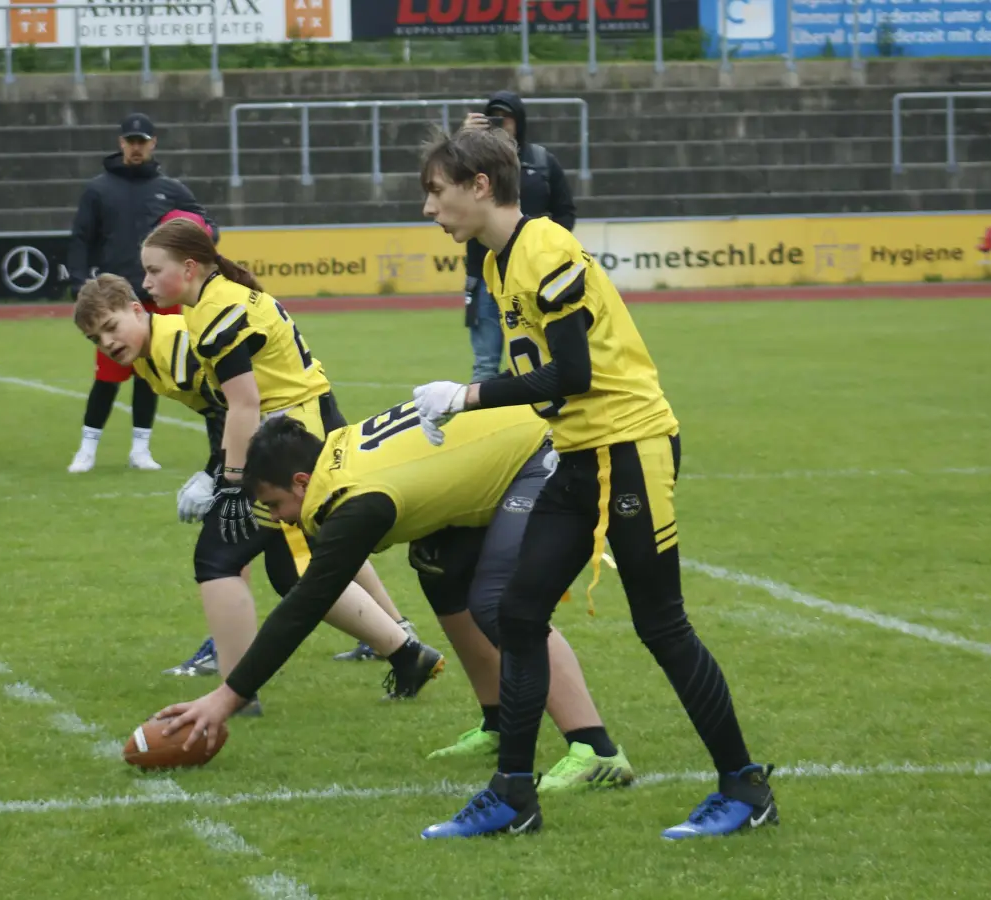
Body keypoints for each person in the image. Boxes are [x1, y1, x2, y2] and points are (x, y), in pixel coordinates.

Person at [411, 127, 774, 840]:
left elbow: (574, 374)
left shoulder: (545, 249)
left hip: (628, 448)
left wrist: (467, 397)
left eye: (435, 190)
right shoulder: (495, 261)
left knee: (661, 624)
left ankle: (745, 787)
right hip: (580, 452)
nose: (429, 208)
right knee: (517, 612)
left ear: (480, 185)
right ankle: (514, 794)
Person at [159, 407, 636, 795]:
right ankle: (499, 724)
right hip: (505, 452)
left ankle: (597, 749)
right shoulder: (335, 458)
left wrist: (227, 696)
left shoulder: (351, 498)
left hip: (542, 454)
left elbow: (306, 604)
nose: (283, 520)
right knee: (440, 573)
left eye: (278, 504)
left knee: (498, 602)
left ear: (302, 482)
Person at [73, 274, 441, 699]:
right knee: (298, 565)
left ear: (138, 309)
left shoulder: (177, 347)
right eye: (95, 338)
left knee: (225, 557)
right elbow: (225, 413)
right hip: (280, 437)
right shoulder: (148, 355)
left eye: (111, 326)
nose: (107, 342)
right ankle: (401, 647)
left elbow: (239, 406)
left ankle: (237, 686)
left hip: (288, 439)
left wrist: (219, 477)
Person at [67, 113, 216, 475]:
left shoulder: (171, 190)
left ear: (153, 143)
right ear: (121, 143)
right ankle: (87, 448)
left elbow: (206, 228)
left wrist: (197, 241)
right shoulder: (99, 189)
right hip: (114, 301)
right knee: (107, 376)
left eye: (142, 141)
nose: (136, 147)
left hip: (159, 296)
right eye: (130, 141)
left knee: (152, 373)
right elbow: (81, 238)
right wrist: (78, 283)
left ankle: (140, 448)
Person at [460, 93, 576, 383]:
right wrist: (462, 141)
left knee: (543, 360)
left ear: (520, 121)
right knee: (485, 365)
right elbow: (450, 188)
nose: (501, 124)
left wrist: (549, 247)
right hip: (487, 274)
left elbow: (565, 211)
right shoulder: (472, 163)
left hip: (535, 274)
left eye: (507, 117)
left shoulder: (541, 161)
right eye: (494, 117)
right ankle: (481, 426)